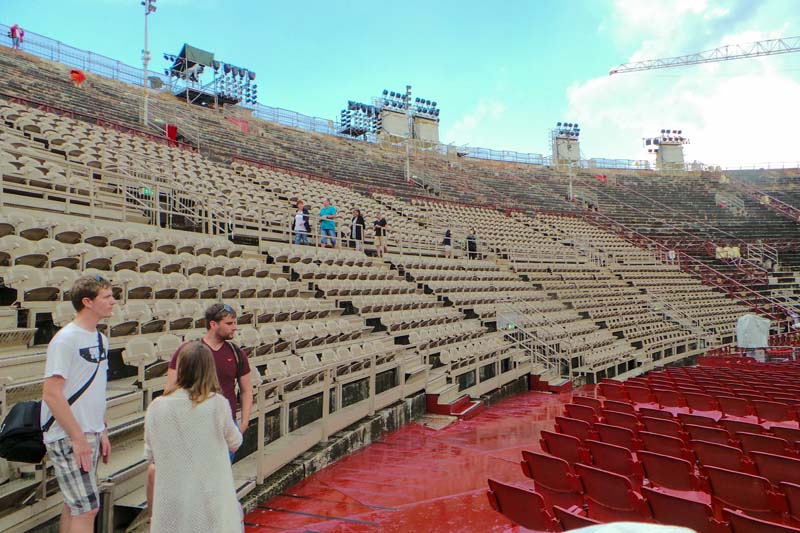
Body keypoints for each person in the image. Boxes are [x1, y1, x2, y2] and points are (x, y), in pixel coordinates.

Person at [41, 275, 114, 533]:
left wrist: (101, 429)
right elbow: (51, 393)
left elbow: (96, 390)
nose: (113, 302)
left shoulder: (101, 339)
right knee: (87, 508)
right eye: (106, 297)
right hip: (69, 433)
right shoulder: (65, 339)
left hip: (89, 430)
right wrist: (77, 437)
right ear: (87, 302)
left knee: (75, 505)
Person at [145, 341, 243, 533]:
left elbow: (151, 455)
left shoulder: (157, 406)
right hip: (210, 498)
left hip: (173, 500)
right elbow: (236, 442)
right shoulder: (218, 404)